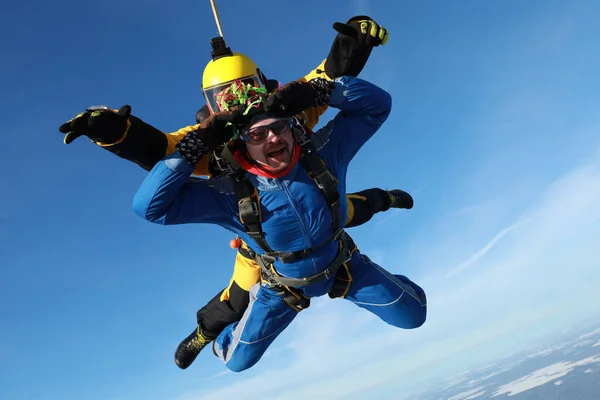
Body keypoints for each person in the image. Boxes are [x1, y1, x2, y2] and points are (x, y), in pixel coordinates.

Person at [58, 15, 415, 369]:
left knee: (344, 206)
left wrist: (353, 42)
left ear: (260, 83)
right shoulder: (213, 139)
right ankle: (205, 334)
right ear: (214, 104)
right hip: (263, 239)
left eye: (248, 89)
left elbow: (327, 79)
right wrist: (117, 132)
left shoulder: (286, 106)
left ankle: (386, 198)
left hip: (324, 216)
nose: (267, 132)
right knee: (237, 298)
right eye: (254, 132)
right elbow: (159, 150)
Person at [132, 75, 427, 373]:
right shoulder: (227, 192)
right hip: (283, 287)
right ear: (242, 144)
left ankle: (387, 203)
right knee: (236, 362)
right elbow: (150, 208)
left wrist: (322, 91)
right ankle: (212, 335)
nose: (273, 138)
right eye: (257, 135)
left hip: (342, 264)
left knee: (414, 315)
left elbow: (378, 106)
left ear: (291, 126)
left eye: (279, 126)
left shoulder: (321, 153)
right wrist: (189, 150)